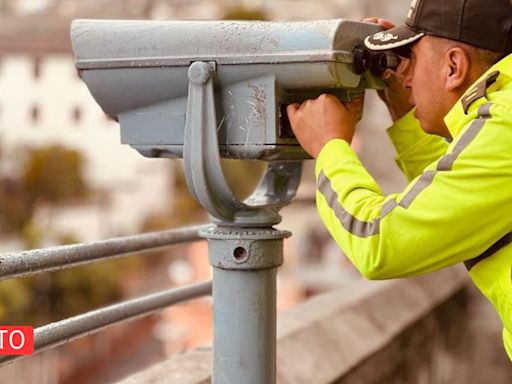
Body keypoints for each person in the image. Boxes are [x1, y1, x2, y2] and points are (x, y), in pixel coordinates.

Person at [287, 0, 512, 359]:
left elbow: (379, 242)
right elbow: (453, 202)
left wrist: (329, 147)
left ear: (453, 66)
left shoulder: (506, 124)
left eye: (414, 60)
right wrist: (406, 110)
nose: (406, 77)